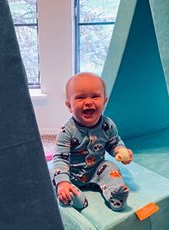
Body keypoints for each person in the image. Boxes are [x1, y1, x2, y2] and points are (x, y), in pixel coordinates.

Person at [51, 72, 133, 211]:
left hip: (96, 169)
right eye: (80, 97)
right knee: (57, 178)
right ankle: (74, 198)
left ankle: (115, 195)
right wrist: (63, 182)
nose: (88, 102)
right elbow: (60, 158)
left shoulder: (108, 125)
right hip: (71, 172)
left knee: (110, 166)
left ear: (104, 101)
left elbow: (113, 142)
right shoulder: (66, 131)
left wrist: (120, 151)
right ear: (69, 106)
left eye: (95, 96)